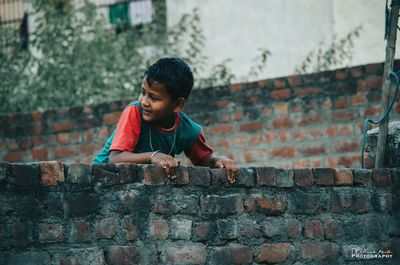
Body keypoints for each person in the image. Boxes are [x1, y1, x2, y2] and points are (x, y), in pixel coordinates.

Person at [93, 57, 239, 183]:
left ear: (177, 104)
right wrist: (153, 156)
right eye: (143, 92)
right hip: (100, 178)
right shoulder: (135, 111)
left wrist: (219, 160)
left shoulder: (187, 129)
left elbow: (203, 159)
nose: (144, 101)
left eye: (154, 98)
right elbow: (115, 159)